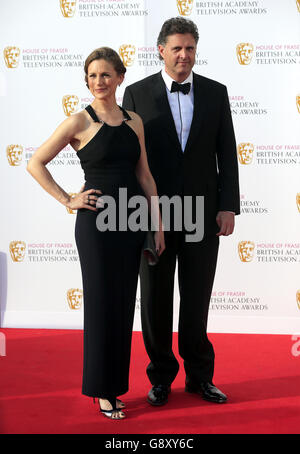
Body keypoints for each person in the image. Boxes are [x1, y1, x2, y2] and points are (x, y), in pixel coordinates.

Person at [27, 47, 165, 420]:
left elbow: (145, 176)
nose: (99, 82)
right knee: (102, 305)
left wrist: (158, 224)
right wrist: (67, 198)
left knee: (123, 305)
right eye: (92, 76)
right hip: (97, 227)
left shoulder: (134, 121)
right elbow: (35, 162)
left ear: (121, 77)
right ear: (86, 81)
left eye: (106, 75)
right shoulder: (78, 122)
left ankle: (115, 386)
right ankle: (102, 391)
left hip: (132, 222)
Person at [123, 17, 240, 406]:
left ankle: (199, 378)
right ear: (161, 50)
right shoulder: (137, 94)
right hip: (154, 213)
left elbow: (227, 153)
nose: (184, 55)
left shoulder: (215, 92)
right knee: (155, 299)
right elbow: (130, 159)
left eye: (190, 48)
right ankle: (160, 379)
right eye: (176, 48)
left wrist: (228, 206)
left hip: (204, 214)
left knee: (197, 297)